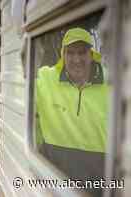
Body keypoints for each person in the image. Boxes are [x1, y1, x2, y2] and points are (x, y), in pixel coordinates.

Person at [36, 28, 109, 197]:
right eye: (70, 53)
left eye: (82, 52)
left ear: (91, 54)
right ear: (63, 55)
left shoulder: (113, 82)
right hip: (55, 182)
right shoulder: (45, 78)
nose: (76, 59)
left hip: (99, 184)